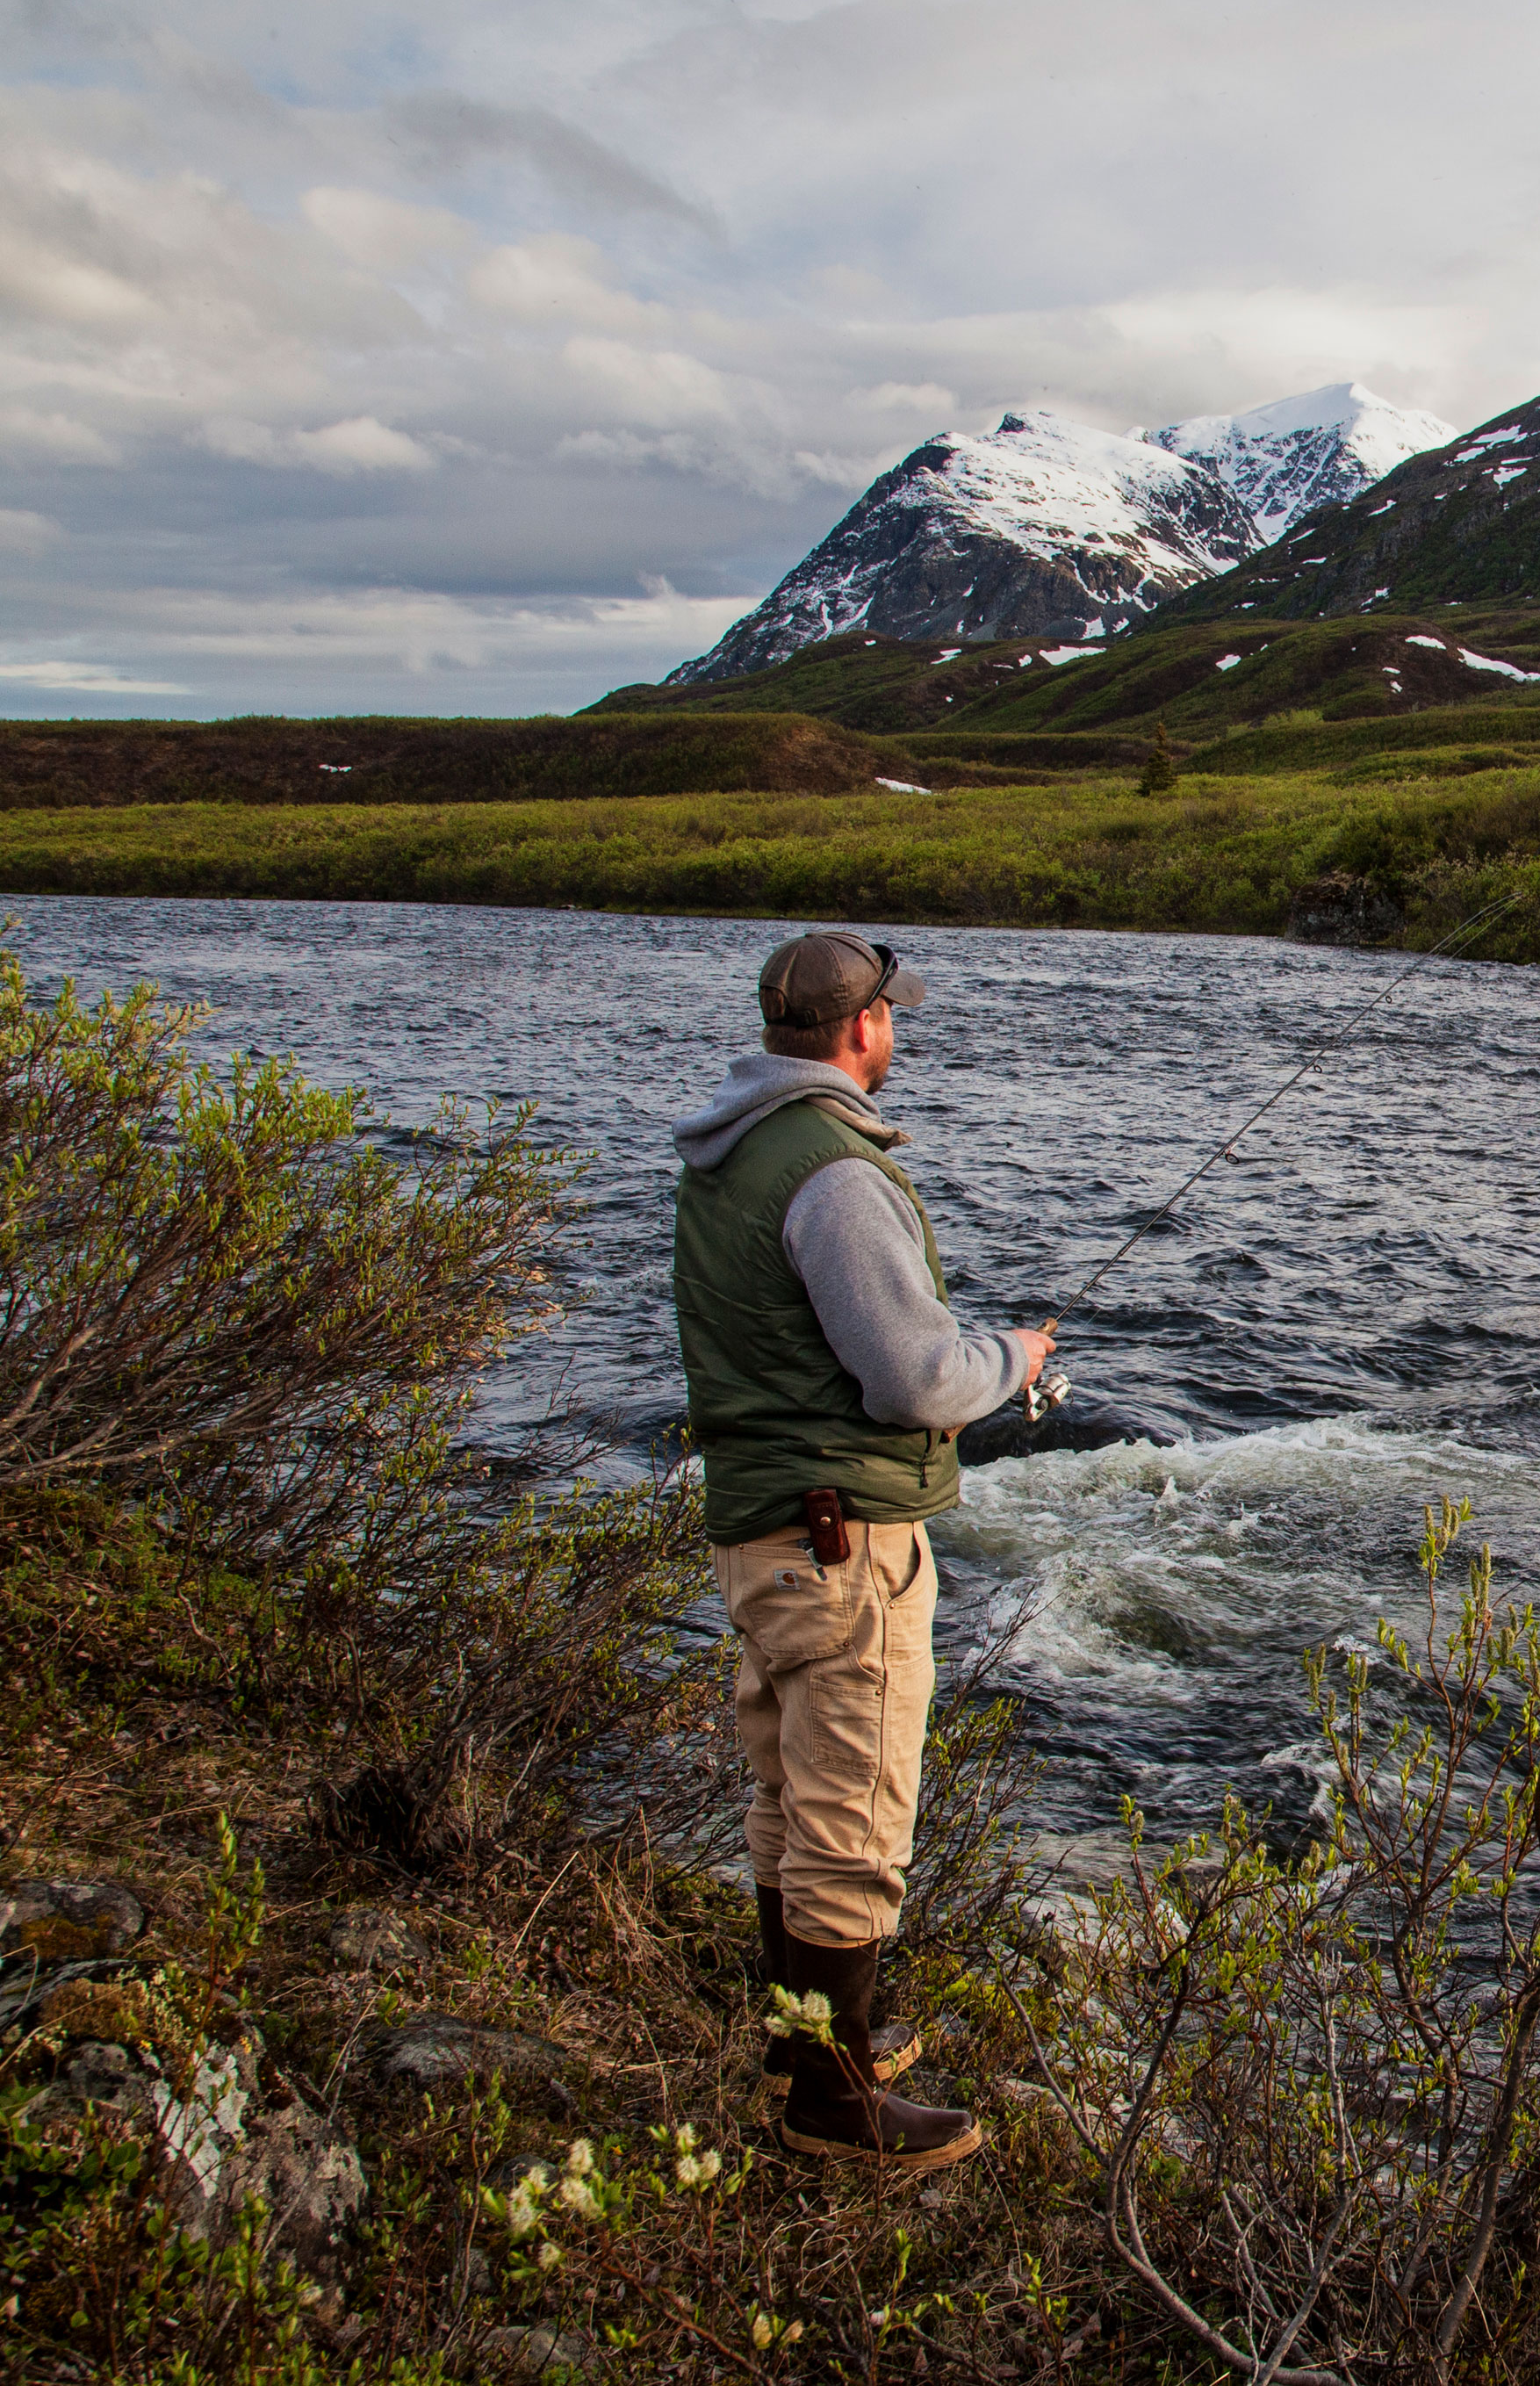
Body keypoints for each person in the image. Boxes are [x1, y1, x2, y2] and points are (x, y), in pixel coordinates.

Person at [669, 929, 1053, 2171]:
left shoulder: (727, 1156)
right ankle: (830, 2105)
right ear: (859, 1031)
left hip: (764, 1533)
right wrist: (1016, 1359)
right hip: (841, 1548)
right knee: (853, 1822)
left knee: (787, 1800)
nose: (901, 1032)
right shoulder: (832, 1174)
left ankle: (803, 2049)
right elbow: (915, 1377)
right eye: (893, 1016)